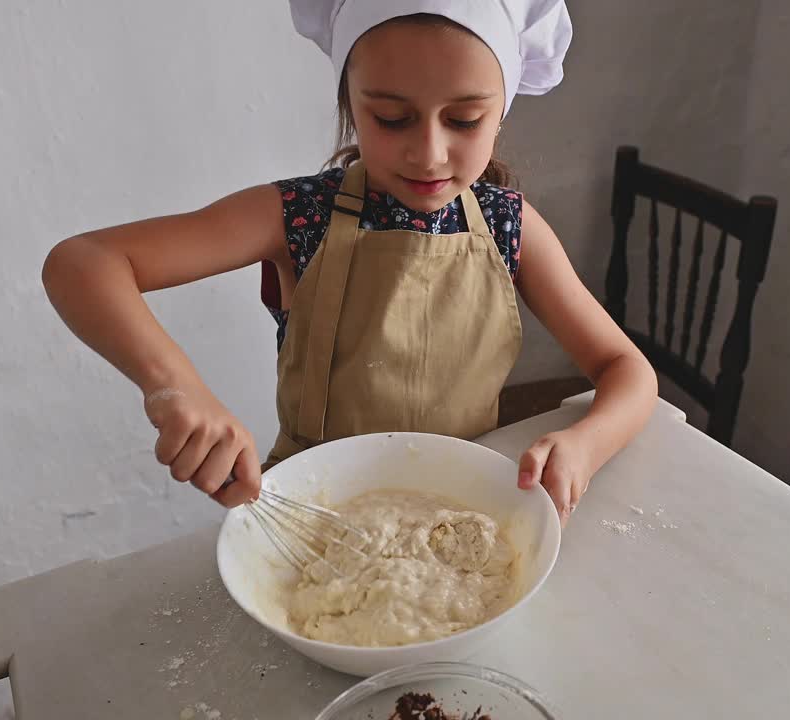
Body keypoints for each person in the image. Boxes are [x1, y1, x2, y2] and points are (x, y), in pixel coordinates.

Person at [41, 0, 657, 527]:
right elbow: (85, 261)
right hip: (314, 515)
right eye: (392, 118)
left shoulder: (509, 226)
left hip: (466, 514)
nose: (429, 151)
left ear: (502, 110)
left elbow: (628, 370)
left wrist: (584, 445)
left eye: (465, 119)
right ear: (349, 103)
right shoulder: (297, 215)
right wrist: (177, 389)